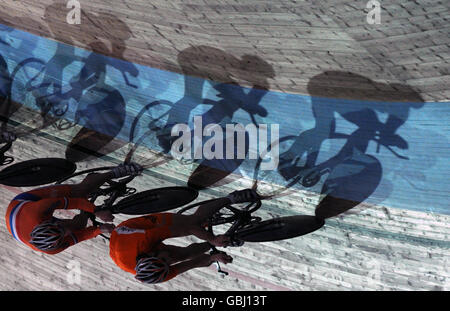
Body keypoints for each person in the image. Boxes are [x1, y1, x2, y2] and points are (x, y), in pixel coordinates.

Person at [109, 188, 260, 284]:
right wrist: (213, 257)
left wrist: (212, 239)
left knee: (194, 221)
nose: (170, 260)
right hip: (130, 252)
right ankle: (220, 240)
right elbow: (192, 263)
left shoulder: (143, 240)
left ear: (151, 253)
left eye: (164, 259)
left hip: (132, 231)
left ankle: (231, 198)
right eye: (168, 263)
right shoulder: (159, 273)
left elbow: (189, 228)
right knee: (184, 255)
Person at [5, 162, 143, 254]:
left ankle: (113, 173)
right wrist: (98, 230)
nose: (64, 227)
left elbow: (75, 202)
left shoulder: (40, 210)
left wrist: (96, 211)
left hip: (22, 204)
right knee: (77, 227)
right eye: (62, 231)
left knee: (80, 192)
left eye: (60, 226)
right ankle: (88, 212)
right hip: (24, 225)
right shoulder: (52, 249)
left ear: (46, 222)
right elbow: (79, 236)